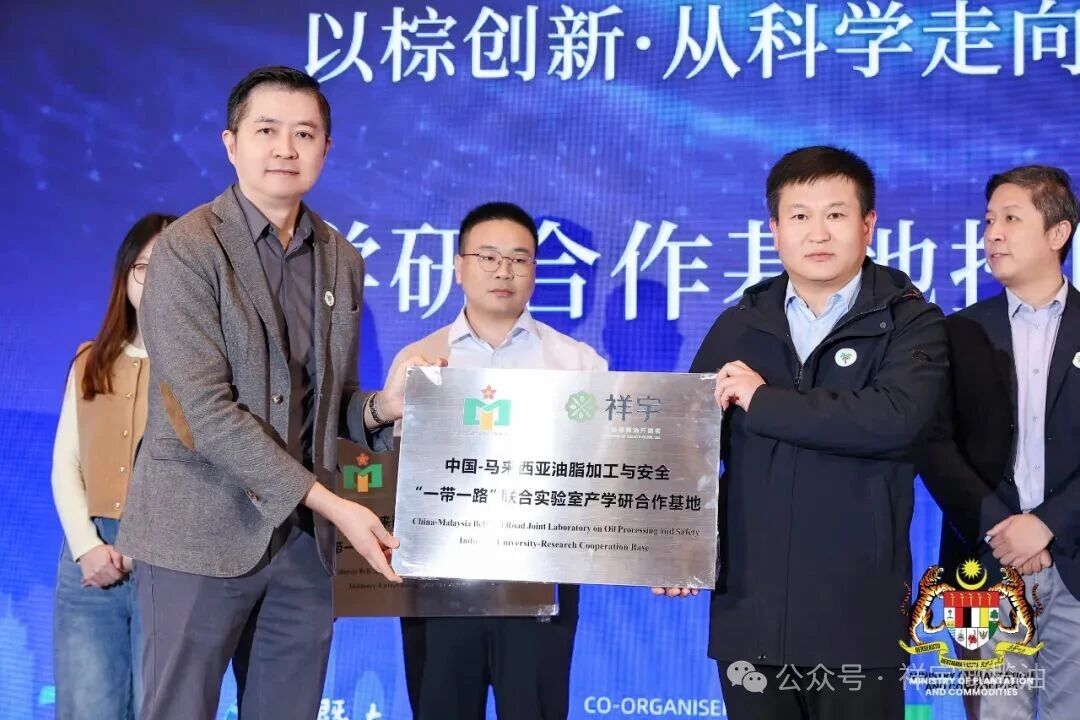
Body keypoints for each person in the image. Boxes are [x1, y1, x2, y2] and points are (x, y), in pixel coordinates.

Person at [114, 66, 438, 720]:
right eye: (267, 130)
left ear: (327, 149)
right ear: (231, 143)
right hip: (196, 534)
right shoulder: (186, 250)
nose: (285, 148)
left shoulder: (341, 258)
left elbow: (325, 402)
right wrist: (334, 505)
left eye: (304, 134)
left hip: (302, 548)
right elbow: (204, 413)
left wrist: (382, 408)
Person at [664, 146, 947, 720]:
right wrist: (672, 548)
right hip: (751, 610)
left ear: (867, 224)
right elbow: (688, 445)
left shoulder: (910, 320)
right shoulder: (740, 324)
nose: (818, 233)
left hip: (857, 611)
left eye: (836, 214)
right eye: (799, 216)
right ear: (774, 229)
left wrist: (764, 401)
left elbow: (895, 419)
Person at [389, 201, 606, 720]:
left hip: (540, 579)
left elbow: (602, 469)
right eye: (487, 257)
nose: (503, 271)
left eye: (519, 259)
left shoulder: (576, 363)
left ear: (535, 271)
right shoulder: (418, 360)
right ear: (459, 267)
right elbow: (391, 472)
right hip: (438, 584)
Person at [916, 165, 1080, 719]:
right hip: (982, 565)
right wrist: (1001, 526)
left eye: (1011, 219)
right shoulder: (957, 332)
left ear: (1058, 233)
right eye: (988, 221)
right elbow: (934, 446)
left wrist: (1047, 524)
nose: (993, 235)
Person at [51, 212, 175, 720]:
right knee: (87, 707)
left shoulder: (203, 370)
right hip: (90, 556)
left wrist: (143, 541)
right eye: (144, 267)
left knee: (161, 706)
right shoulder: (91, 361)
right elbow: (66, 464)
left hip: (169, 558)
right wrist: (87, 547)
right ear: (125, 275)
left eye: (172, 267)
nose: (155, 280)